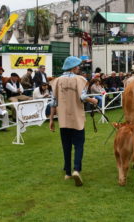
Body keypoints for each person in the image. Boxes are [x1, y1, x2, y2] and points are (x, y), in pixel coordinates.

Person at [50, 56, 97, 187]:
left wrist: (51, 120)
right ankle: (76, 169)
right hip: (76, 118)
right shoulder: (80, 79)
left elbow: (53, 102)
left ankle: (68, 173)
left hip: (63, 119)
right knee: (79, 145)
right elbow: (83, 97)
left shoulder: (56, 81)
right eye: (78, 66)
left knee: (66, 146)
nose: (79, 68)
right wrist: (93, 100)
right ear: (74, 67)